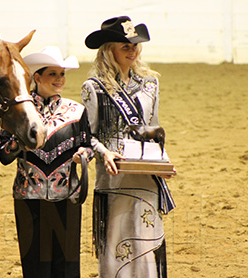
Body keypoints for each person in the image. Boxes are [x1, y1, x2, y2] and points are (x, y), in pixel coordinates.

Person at [81, 16, 176, 277]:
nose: (132, 50)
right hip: (113, 177)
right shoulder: (94, 88)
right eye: (125, 46)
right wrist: (104, 152)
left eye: (135, 45)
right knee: (116, 243)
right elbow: (87, 135)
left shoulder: (150, 84)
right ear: (109, 50)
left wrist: (163, 163)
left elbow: (154, 129)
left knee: (146, 241)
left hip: (146, 176)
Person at [0, 46, 94, 278]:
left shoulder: (77, 112)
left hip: (67, 198)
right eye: (53, 74)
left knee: (67, 265)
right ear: (37, 77)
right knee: (34, 266)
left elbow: (88, 144)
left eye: (62, 74)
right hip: (29, 198)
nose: (59, 79)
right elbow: (3, 155)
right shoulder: (18, 113)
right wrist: (21, 141)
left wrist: (84, 154)